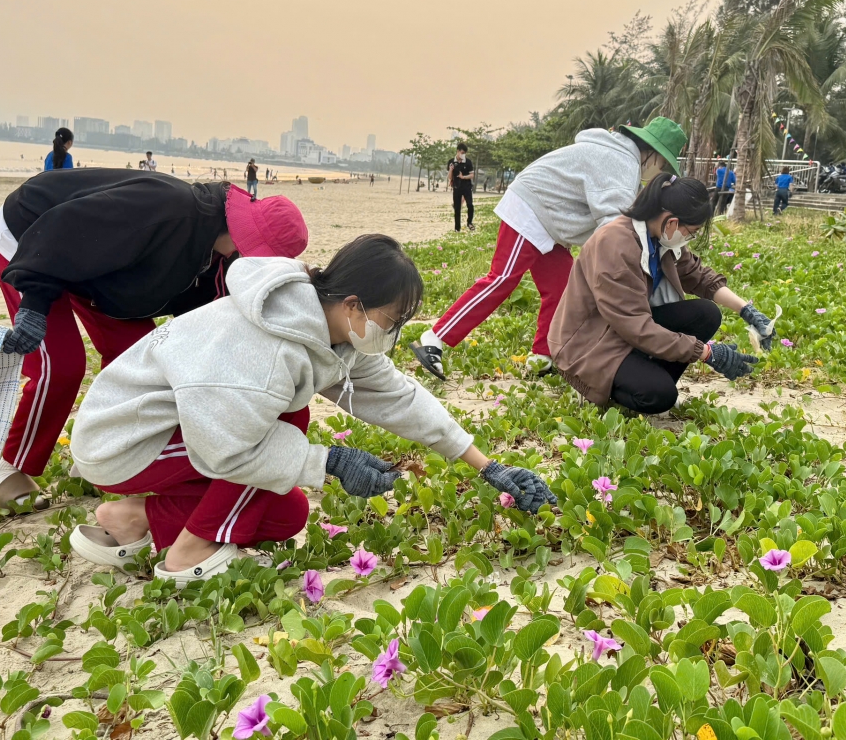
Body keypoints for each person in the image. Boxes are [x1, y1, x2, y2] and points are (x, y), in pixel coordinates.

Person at [66, 235, 556, 585]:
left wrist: (489, 466)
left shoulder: (328, 332)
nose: (396, 334)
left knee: (287, 514)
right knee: (291, 419)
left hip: (192, 431)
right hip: (124, 442)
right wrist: (331, 463)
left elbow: (399, 397)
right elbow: (227, 449)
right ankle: (185, 558)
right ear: (353, 305)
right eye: (393, 320)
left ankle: (134, 519)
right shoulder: (269, 348)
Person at [0, 169, 310, 509]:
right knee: (61, 365)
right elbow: (60, 230)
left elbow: (202, 323)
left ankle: (102, 449)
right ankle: (8, 469)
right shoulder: (168, 209)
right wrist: (35, 303)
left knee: (138, 357)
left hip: (100, 269)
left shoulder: (219, 258)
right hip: (31, 241)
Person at [412, 118, 686, 380]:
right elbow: (614, 225)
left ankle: (544, 355)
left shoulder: (620, 156)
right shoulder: (621, 162)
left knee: (562, 288)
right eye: (662, 163)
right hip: (532, 208)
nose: (659, 170)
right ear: (650, 152)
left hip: (549, 219)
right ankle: (434, 338)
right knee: (502, 278)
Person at [550, 175, 777, 415]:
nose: (691, 237)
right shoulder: (615, 245)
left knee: (706, 313)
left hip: (622, 330)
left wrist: (747, 311)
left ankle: (645, 376)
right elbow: (635, 325)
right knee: (659, 396)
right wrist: (707, 353)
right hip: (590, 343)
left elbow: (698, 276)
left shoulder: (660, 237)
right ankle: (598, 388)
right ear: (672, 222)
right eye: (693, 231)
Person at [448, 144, 475, 232]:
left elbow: (472, 175)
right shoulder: (452, 162)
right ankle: (457, 228)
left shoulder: (468, 162)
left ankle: (469, 222)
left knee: (470, 205)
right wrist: (451, 170)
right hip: (457, 187)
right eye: (462, 152)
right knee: (457, 208)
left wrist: (463, 177)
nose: (463, 155)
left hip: (467, 187)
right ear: (458, 151)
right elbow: (450, 177)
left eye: (464, 153)